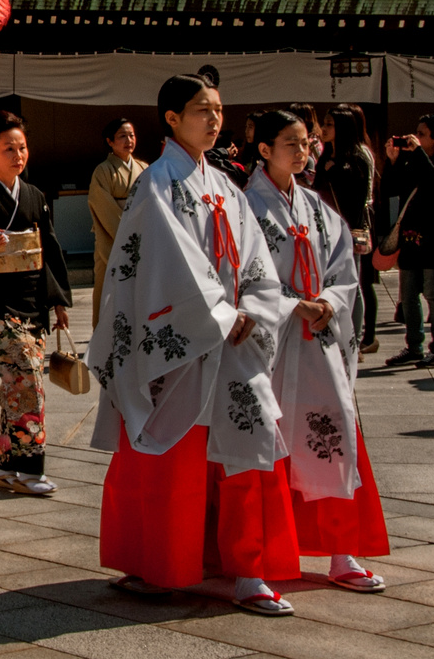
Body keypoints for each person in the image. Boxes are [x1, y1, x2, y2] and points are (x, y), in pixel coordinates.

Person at [88, 73, 300, 616]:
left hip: (235, 340)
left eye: (219, 109)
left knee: (246, 458)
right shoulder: (157, 183)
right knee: (175, 465)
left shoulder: (227, 186)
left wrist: (251, 307)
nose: (214, 119)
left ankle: (248, 569)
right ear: (172, 119)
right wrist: (221, 313)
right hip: (184, 346)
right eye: (202, 110)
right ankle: (163, 563)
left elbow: (255, 260)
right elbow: (165, 263)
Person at [245, 111, 390, 593]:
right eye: (291, 143)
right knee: (266, 446)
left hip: (317, 345)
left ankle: (341, 551)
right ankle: (265, 554)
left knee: (332, 437)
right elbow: (240, 278)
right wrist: (292, 305)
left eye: (306, 143)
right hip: (271, 348)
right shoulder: (245, 208)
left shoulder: (317, 208)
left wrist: (326, 301)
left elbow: (344, 269)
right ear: (263, 149)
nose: (302, 152)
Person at [0, 111, 72, 496]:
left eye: (22, 147)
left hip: (33, 299)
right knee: (29, 384)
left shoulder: (35, 195)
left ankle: (7, 467)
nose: (19, 155)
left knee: (20, 385)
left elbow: (50, 249)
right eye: (9, 148)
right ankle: (30, 470)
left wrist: (59, 303)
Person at [382, 113, 434, 369]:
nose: (415, 137)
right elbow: (390, 190)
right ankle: (413, 347)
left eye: (422, 134)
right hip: (411, 237)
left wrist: (419, 155)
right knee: (408, 294)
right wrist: (393, 162)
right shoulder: (412, 159)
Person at [314, 106, 379, 356]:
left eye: (329, 124)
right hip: (327, 229)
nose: (324, 129)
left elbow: (358, 199)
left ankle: (356, 338)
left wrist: (335, 171)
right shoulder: (327, 155)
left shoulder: (357, 157)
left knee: (354, 283)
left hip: (351, 229)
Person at [88, 118, 147, 327]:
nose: (129, 140)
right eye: (122, 136)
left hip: (141, 236)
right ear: (110, 141)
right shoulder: (103, 171)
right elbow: (101, 205)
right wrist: (127, 234)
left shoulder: (143, 167)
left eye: (131, 135)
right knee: (108, 289)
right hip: (112, 238)